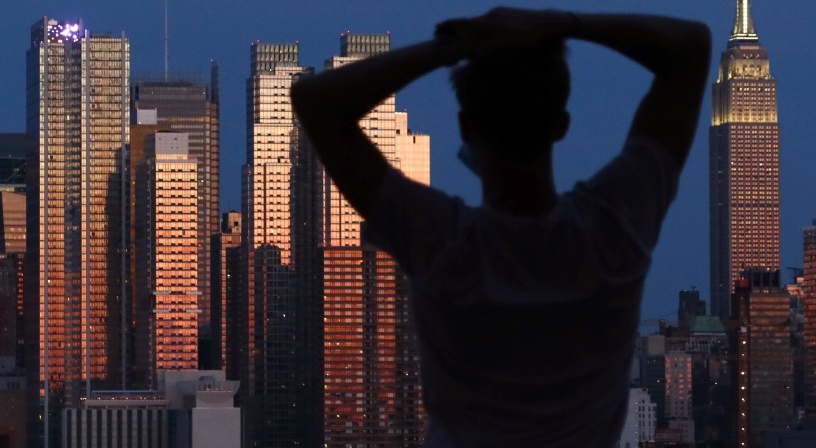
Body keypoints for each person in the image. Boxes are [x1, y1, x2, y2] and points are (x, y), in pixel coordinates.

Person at [290, 7, 711, 448]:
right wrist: (563, 24)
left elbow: (318, 102)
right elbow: (689, 48)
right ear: (562, 124)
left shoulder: (443, 242)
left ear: (464, 127)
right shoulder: (613, 229)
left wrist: (453, 47)